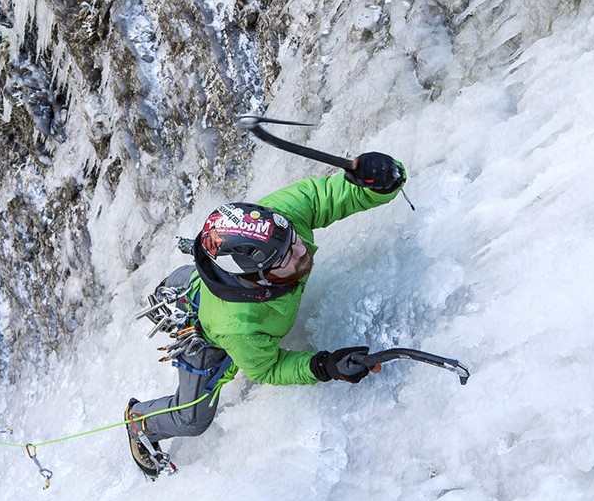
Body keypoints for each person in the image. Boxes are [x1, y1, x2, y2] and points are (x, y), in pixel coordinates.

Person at [126, 150, 406, 477]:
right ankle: (140, 423)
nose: (302, 248)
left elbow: (329, 196)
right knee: (192, 419)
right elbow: (267, 368)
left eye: (293, 240)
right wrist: (325, 366)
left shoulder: (274, 223)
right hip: (204, 333)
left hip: (199, 287)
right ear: (256, 279)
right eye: (287, 257)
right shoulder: (240, 325)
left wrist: (384, 180)